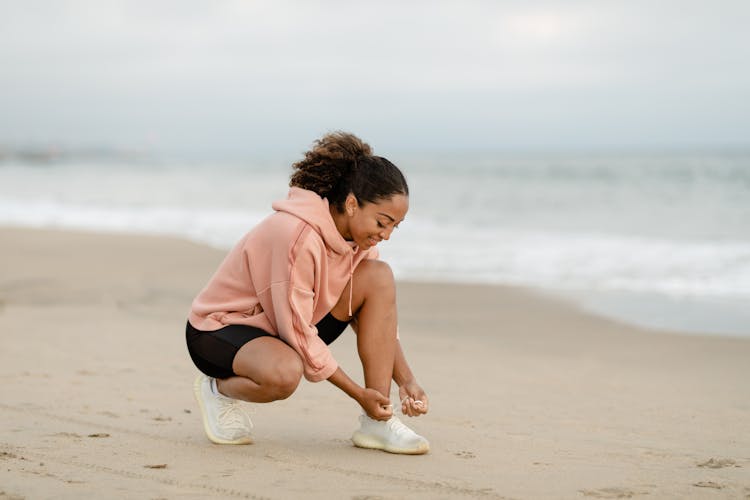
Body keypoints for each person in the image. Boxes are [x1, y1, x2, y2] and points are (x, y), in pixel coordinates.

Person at [185, 131, 430, 455]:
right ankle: (217, 390)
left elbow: (375, 315)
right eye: (382, 222)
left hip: (282, 328)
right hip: (220, 329)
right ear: (353, 204)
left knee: (378, 276)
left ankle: (378, 422)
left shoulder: (355, 240)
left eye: (394, 227)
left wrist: (407, 380)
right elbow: (298, 332)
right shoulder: (296, 236)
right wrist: (358, 393)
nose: (385, 235)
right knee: (285, 374)